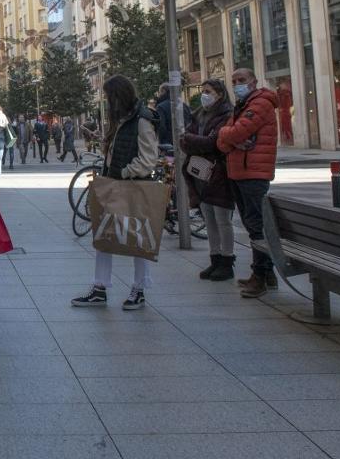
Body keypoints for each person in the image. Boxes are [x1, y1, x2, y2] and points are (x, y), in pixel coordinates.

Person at [72, 75, 159, 310]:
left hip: (134, 185)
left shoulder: (142, 120)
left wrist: (124, 171)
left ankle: (139, 288)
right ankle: (99, 287)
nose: (107, 101)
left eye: (109, 96)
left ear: (119, 96)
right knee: (104, 235)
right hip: (114, 182)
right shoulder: (122, 120)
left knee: (138, 238)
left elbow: (149, 159)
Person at [217, 68, 280, 298]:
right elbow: (223, 141)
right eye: (234, 81)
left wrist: (227, 135)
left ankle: (261, 276)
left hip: (253, 173)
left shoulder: (260, 104)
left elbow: (233, 134)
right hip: (241, 171)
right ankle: (265, 274)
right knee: (252, 225)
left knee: (256, 227)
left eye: (241, 80)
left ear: (254, 81)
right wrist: (228, 137)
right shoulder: (243, 105)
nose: (237, 84)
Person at [180, 79, 237, 281]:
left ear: (219, 94)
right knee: (209, 219)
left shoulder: (227, 115)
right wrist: (195, 142)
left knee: (223, 220)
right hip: (200, 173)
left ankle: (227, 261)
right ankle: (215, 259)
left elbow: (213, 143)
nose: (204, 94)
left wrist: (193, 141)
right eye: (202, 90)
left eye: (208, 91)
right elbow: (184, 140)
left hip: (219, 173)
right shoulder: (198, 114)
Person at [155, 83, 195, 148]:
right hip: (185, 141)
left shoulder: (160, 107)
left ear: (163, 91)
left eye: (159, 92)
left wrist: (162, 142)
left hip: (169, 143)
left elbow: (161, 127)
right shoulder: (184, 105)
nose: (158, 95)